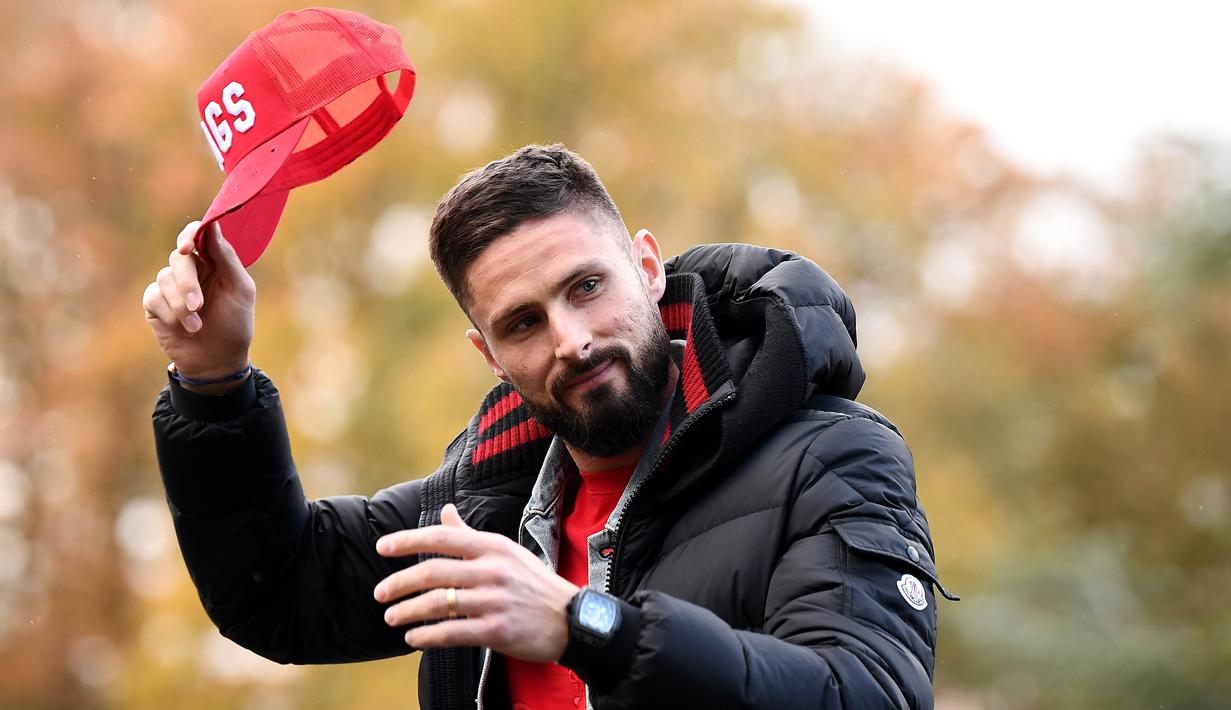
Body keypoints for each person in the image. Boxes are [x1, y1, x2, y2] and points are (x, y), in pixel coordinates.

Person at [145, 144, 955, 709]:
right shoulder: (476, 511)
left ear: (647, 268)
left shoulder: (833, 458)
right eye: (523, 323)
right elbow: (278, 591)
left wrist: (584, 627)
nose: (572, 340)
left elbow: (868, 693)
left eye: (586, 287)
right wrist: (213, 381)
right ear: (489, 355)